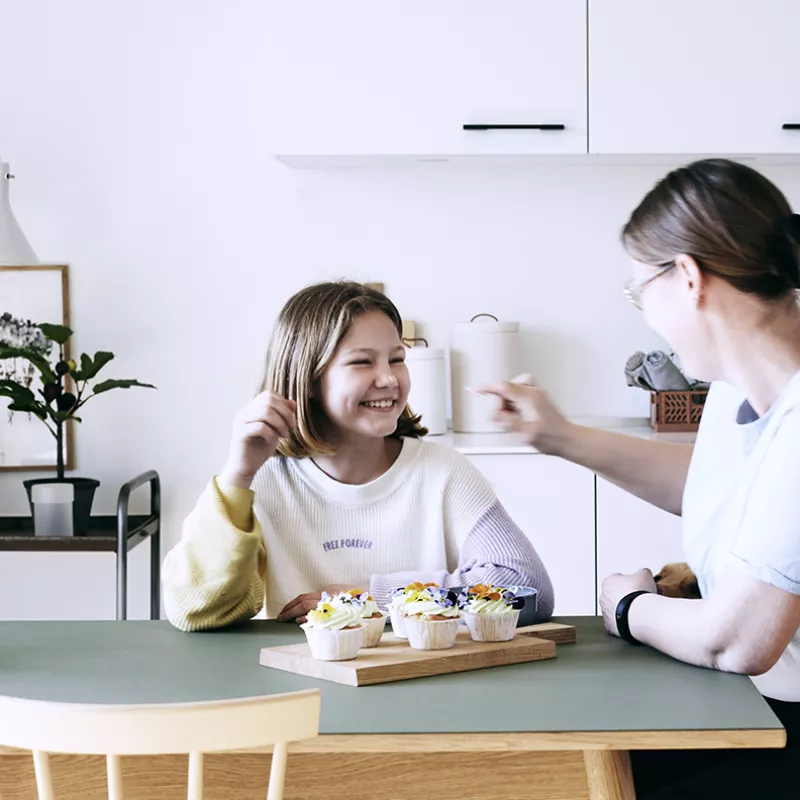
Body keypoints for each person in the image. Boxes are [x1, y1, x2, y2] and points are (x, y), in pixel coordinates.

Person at [480, 159, 800, 798]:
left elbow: (736, 642)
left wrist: (628, 608)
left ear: (687, 278)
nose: (643, 315)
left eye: (638, 292)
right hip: (760, 710)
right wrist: (564, 438)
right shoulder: (743, 386)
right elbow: (721, 488)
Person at [162, 280, 553, 631]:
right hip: (300, 688)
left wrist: (373, 600)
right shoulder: (264, 482)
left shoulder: (443, 471)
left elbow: (527, 587)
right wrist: (237, 476)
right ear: (309, 378)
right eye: (362, 361)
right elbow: (197, 610)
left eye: (397, 359)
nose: (388, 378)